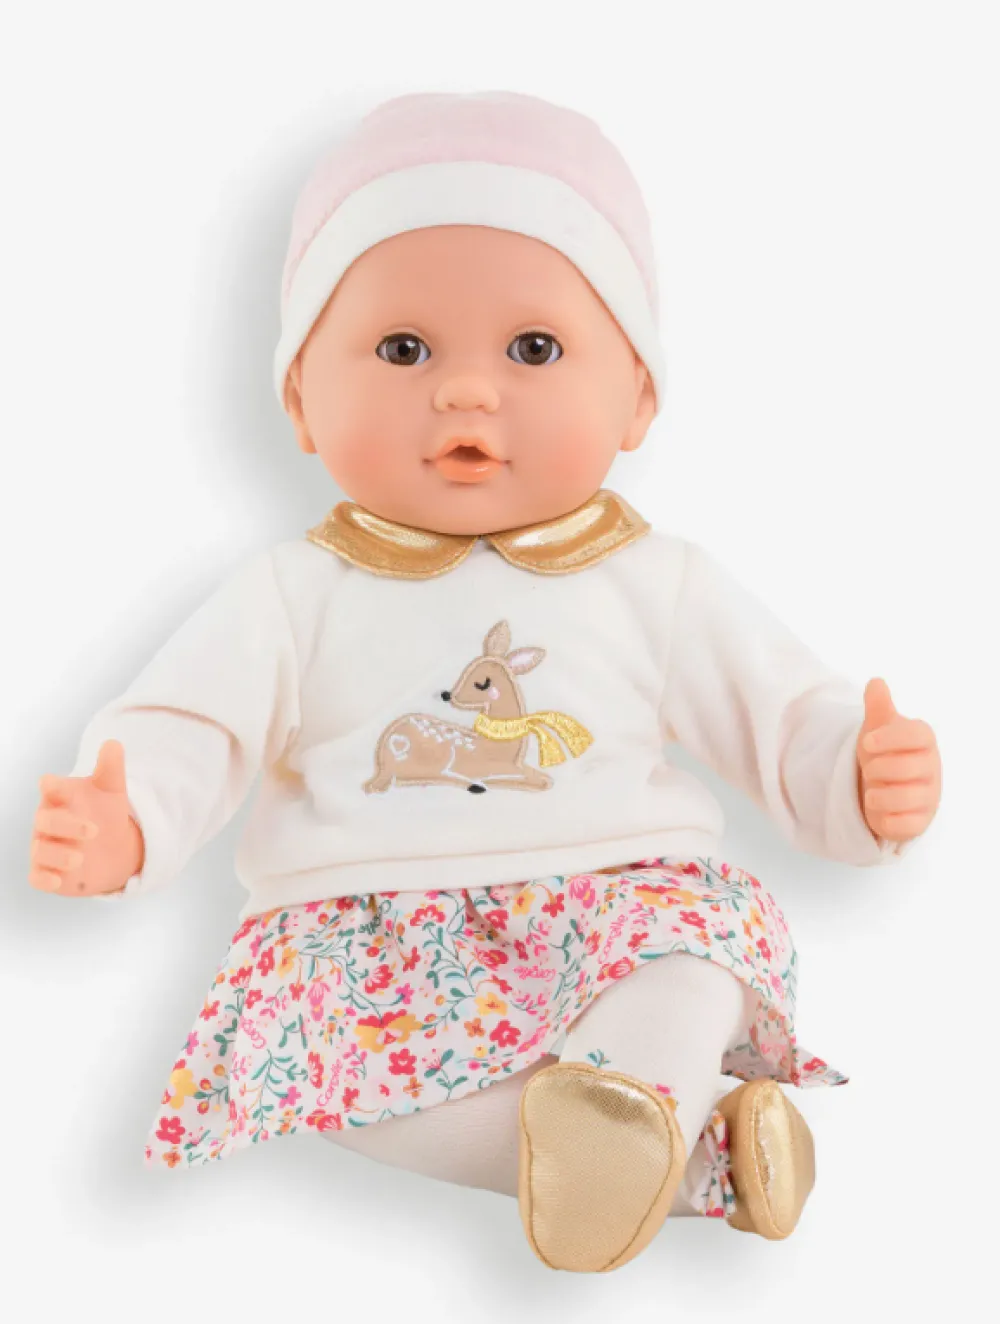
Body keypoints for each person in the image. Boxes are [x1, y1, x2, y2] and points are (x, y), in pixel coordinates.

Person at [28, 90, 941, 1273]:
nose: (465, 390)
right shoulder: (293, 591)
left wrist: (855, 774)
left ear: (637, 395)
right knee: (340, 1086)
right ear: (299, 397)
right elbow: (189, 722)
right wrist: (129, 812)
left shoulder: (654, 581)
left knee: (692, 953)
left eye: (533, 349)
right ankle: (697, 1150)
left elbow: (783, 715)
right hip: (366, 932)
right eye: (403, 350)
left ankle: (634, 1103)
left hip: (614, 903)